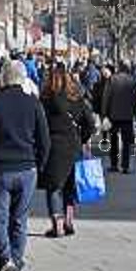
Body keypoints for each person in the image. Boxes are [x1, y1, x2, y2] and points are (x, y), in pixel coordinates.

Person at [0, 60, 51, 271]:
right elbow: (44, 140)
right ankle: (16, 265)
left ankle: (4, 260)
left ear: (3, 78)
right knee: (19, 220)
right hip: (26, 168)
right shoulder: (33, 103)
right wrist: (39, 164)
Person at [40, 64, 95, 237]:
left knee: (54, 186)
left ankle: (57, 223)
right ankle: (69, 221)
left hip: (54, 146)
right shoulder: (77, 99)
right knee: (70, 186)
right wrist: (83, 138)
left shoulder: (46, 100)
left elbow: (39, 125)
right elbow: (90, 124)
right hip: (73, 145)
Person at [102, 61, 136, 174]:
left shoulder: (112, 79)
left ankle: (114, 164)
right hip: (128, 115)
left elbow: (106, 97)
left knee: (113, 140)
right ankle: (125, 166)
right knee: (126, 142)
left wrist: (104, 114)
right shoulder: (134, 80)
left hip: (113, 115)